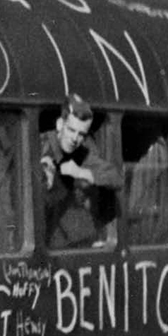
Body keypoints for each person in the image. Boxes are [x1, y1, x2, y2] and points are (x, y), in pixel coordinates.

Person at [39, 93, 123, 248]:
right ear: (60, 124)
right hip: (41, 238)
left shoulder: (82, 154)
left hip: (71, 241)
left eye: (81, 134)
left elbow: (115, 177)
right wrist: (44, 179)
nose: (74, 139)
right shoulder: (37, 146)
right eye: (71, 130)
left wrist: (81, 173)